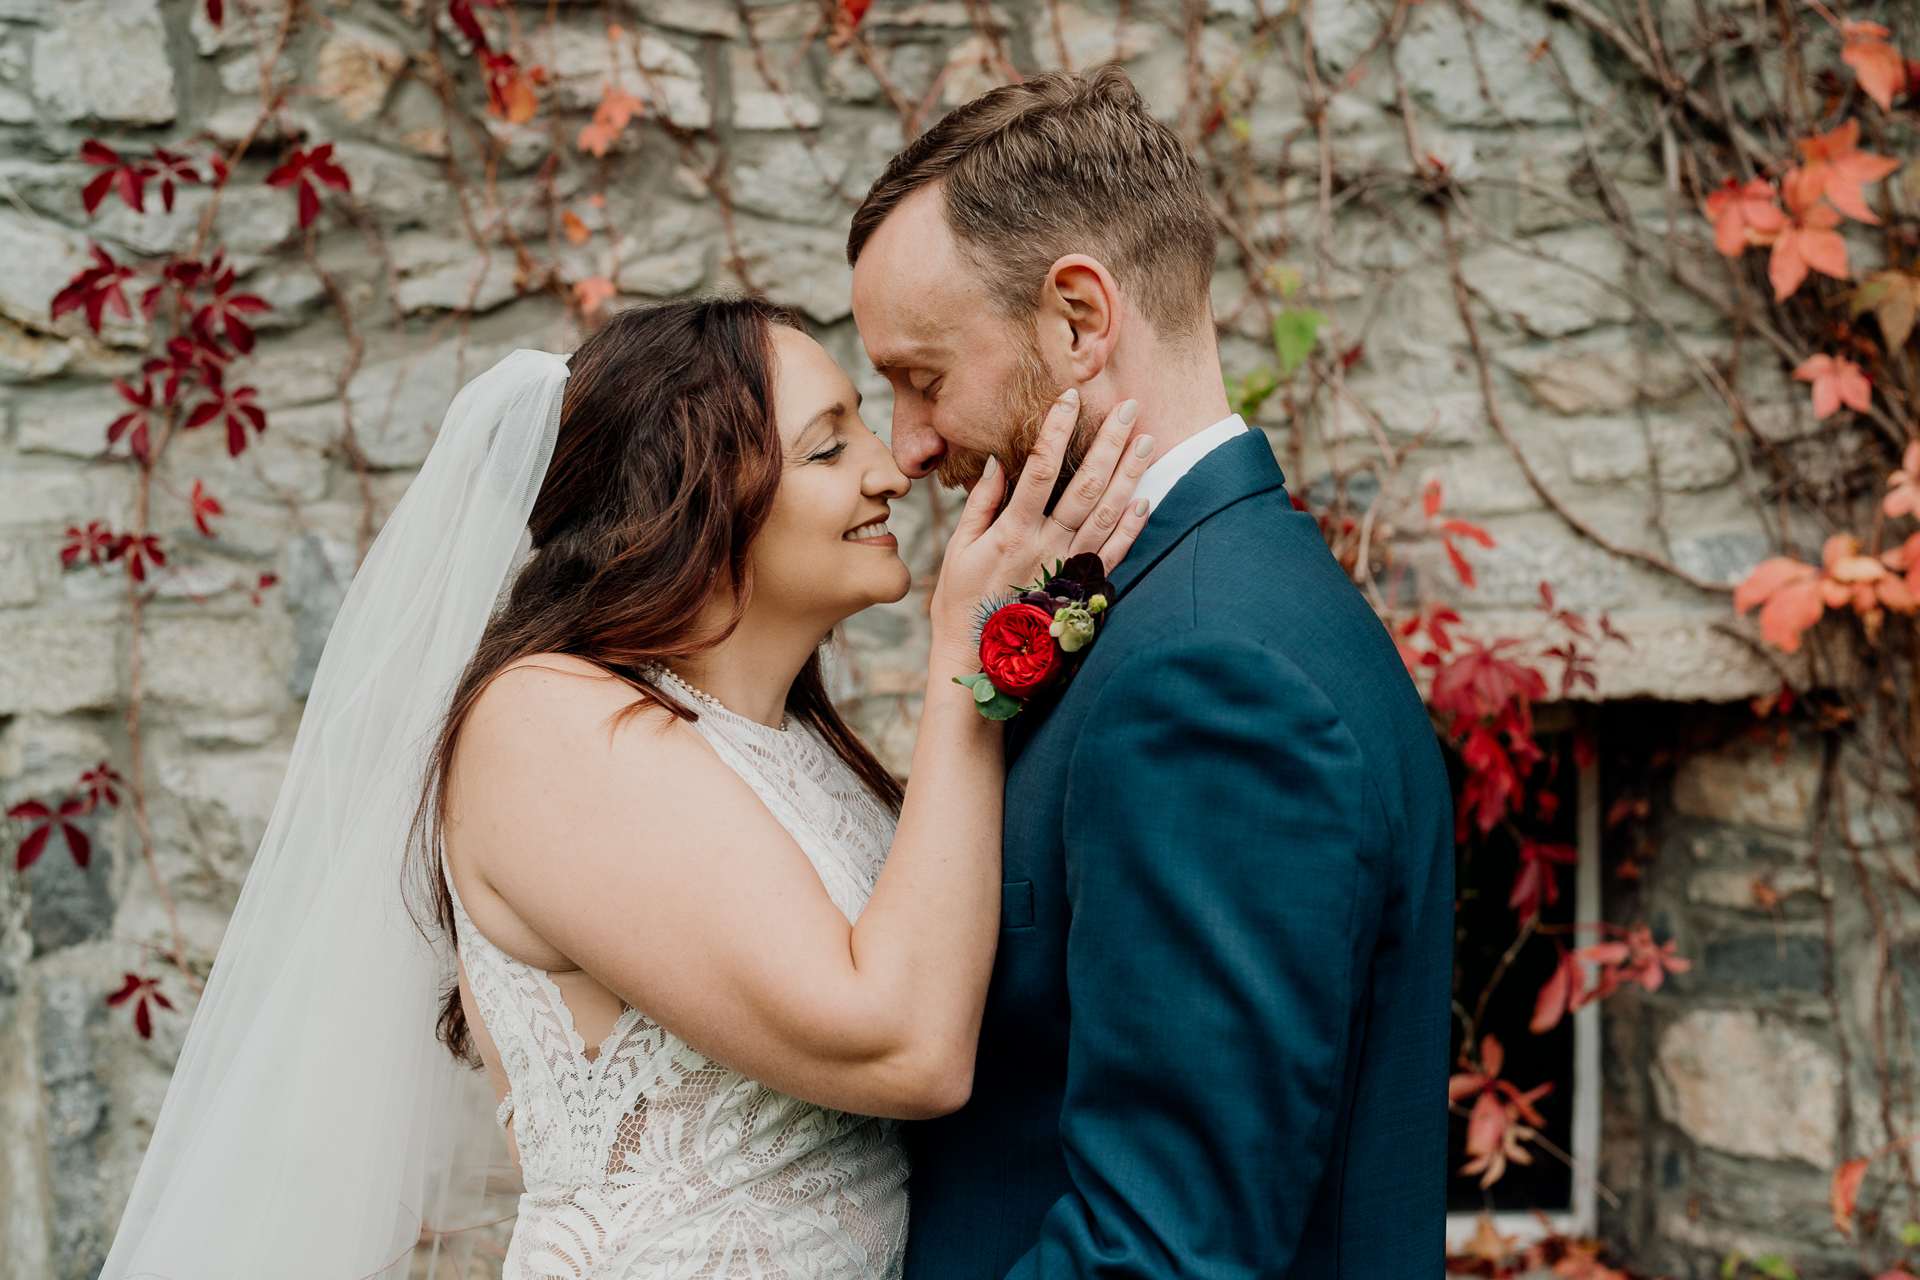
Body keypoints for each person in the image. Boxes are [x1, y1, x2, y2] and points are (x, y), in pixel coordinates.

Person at [99, 297, 1154, 1280]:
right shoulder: (547, 725)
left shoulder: (794, 742)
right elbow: (909, 1046)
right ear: (688, 499)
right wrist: (964, 674)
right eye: (830, 445)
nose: (888, 470)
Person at [846, 66, 1456, 1278]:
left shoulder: (1209, 676)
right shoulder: (1201, 601)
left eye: (923, 377)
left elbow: (1161, 1253)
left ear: (1078, 318)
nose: (908, 446)